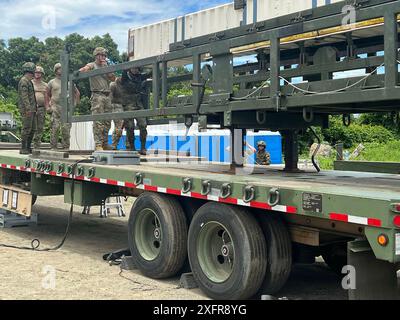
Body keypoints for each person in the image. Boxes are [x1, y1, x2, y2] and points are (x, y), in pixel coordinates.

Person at [79, 47, 115, 151]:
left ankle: (104, 143)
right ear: (96, 56)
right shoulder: (92, 65)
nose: (103, 57)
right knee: (98, 121)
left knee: (107, 121)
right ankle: (98, 144)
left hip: (107, 95)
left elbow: (112, 78)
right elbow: (85, 69)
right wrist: (80, 71)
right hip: (97, 95)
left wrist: (107, 69)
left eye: (104, 55)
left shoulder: (106, 66)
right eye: (101, 55)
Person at [110, 67, 148, 154]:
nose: (135, 70)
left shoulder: (139, 77)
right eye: (133, 68)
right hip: (128, 104)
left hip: (138, 104)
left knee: (143, 125)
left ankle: (143, 147)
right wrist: (129, 60)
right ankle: (132, 147)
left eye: (136, 68)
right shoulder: (125, 78)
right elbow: (124, 70)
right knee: (130, 127)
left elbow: (150, 74)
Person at [47, 63, 80, 150]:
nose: (61, 70)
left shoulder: (69, 82)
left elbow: (77, 93)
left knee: (66, 128)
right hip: (55, 107)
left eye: (62, 68)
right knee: (55, 127)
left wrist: (75, 104)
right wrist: (48, 106)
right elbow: (46, 95)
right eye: (59, 68)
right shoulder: (52, 82)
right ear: (55, 70)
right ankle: (53, 146)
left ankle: (66, 147)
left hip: (66, 108)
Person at [18, 62, 37, 154]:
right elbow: (24, 96)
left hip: (32, 109)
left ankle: (28, 147)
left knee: (32, 129)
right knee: (26, 128)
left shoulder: (28, 81)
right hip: (27, 109)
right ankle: (23, 148)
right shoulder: (24, 81)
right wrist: (28, 109)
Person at [32, 66, 49, 149]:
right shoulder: (30, 83)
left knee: (40, 127)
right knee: (30, 126)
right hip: (31, 108)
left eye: (39, 72)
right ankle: (27, 144)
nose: (37, 74)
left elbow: (48, 97)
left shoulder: (45, 85)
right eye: (36, 72)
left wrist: (48, 107)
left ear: (42, 74)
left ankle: (37, 144)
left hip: (41, 108)